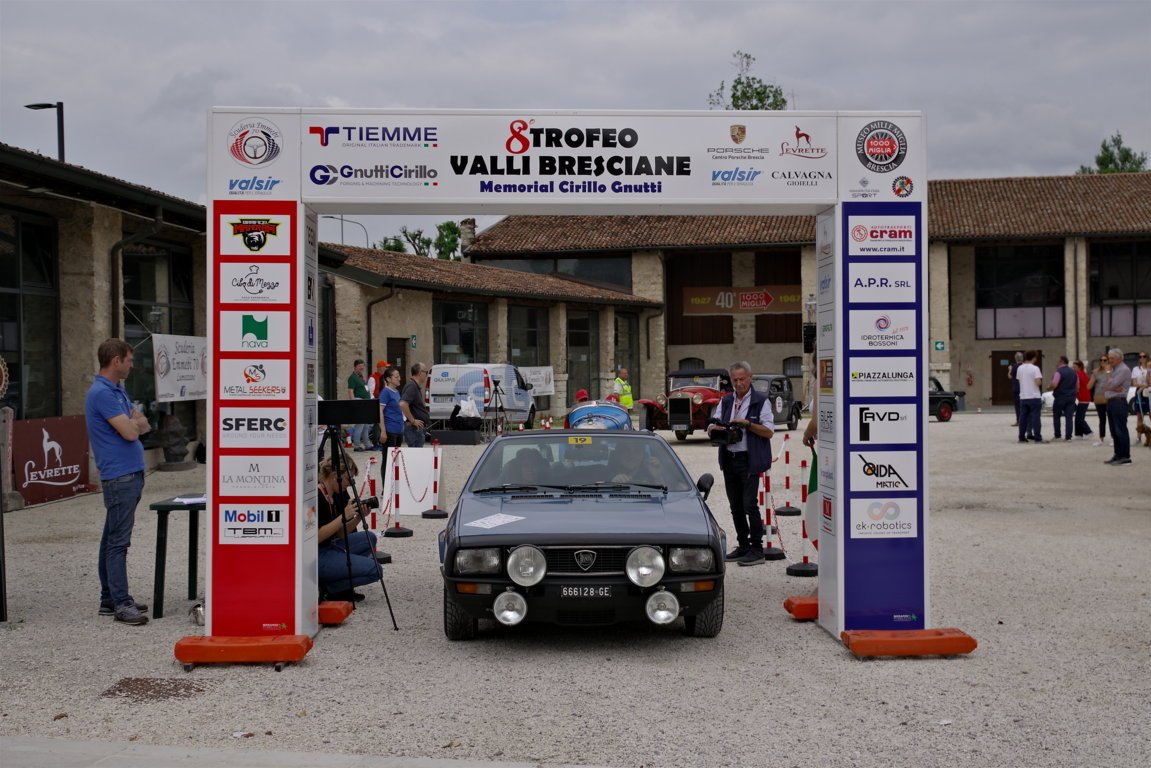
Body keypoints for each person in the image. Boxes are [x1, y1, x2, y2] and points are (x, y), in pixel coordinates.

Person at [84, 339, 151, 626]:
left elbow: (144, 423)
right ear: (116, 361)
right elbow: (132, 432)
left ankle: (109, 598)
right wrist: (132, 424)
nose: (132, 365)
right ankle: (121, 603)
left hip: (129, 473)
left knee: (111, 537)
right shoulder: (102, 393)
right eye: (129, 360)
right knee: (118, 543)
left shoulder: (117, 390)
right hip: (120, 476)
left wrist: (133, 423)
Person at [707, 361, 774, 567]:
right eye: (735, 380)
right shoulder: (726, 400)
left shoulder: (761, 401)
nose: (738, 383)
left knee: (749, 505)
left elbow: (769, 432)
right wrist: (713, 429)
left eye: (742, 379)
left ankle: (757, 549)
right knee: (735, 506)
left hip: (749, 460)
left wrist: (748, 424)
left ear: (750, 378)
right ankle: (743, 545)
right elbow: (714, 422)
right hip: (729, 458)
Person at [316, 455, 381, 601]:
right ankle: (326, 589)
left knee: (369, 538)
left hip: (330, 546)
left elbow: (339, 533)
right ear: (334, 476)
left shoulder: (333, 495)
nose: (350, 484)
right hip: (317, 555)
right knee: (375, 570)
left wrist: (358, 517)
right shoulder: (317, 496)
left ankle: (338, 584)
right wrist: (343, 516)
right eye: (348, 479)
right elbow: (317, 537)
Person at [1100, 348, 1132, 465]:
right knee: (1114, 431)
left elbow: (1112, 384)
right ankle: (1118, 454)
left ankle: (1125, 456)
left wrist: (1109, 377)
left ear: (1119, 358)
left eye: (1112, 358)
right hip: (1111, 401)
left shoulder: (1123, 370)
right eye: (1109, 358)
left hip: (1119, 402)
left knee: (1120, 430)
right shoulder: (1114, 370)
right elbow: (1103, 386)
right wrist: (1113, 386)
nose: (1110, 360)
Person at [400, 361, 430, 447]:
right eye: (426, 372)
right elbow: (403, 404)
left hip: (416, 428)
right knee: (415, 452)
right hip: (414, 429)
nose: (426, 375)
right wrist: (413, 421)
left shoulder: (414, 386)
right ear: (420, 373)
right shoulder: (412, 386)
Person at [346, 359, 373, 451]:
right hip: (359, 402)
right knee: (360, 425)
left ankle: (367, 444)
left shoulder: (361, 377)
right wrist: (354, 404)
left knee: (366, 426)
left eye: (363, 366)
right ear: (355, 367)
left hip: (365, 402)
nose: (362, 368)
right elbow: (350, 391)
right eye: (360, 366)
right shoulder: (352, 378)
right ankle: (357, 446)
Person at [1049, 355, 1077, 441]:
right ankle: (1068, 436)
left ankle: (1057, 435)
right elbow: (1077, 385)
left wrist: (1049, 387)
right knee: (1069, 417)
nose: (1056, 363)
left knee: (1057, 416)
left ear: (1061, 361)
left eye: (1058, 361)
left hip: (1060, 396)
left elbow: (1054, 384)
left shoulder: (1058, 372)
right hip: (1071, 397)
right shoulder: (1073, 372)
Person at [377, 366, 404, 448]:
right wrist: (383, 431)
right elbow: (379, 411)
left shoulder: (396, 392)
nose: (399, 379)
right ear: (388, 379)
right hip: (390, 430)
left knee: (397, 455)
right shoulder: (385, 392)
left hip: (399, 429)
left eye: (399, 376)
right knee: (388, 455)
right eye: (396, 377)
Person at [1088, 355, 1111, 447]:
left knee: (1112, 418)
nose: (1102, 362)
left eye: (1105, 360)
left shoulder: (1112, 370)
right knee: (1102, 419)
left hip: (1109, 397)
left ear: (1108, 361)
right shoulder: (1096, 372)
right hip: (1099, 397)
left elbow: (1111, 381)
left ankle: (1113, 438)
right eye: (1101, 360)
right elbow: (1089, 386)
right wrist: (1093, 376)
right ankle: (1101, 438)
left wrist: (1108, 371)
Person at [1072, 360, 1094, 439]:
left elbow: (1077, 386)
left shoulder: (1077, 374)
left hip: (1083, 398)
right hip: (1084, 398)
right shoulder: (1083, 374)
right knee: (1079, 417)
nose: (1073, 368)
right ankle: (1078, 434)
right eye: (1073, 367)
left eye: (1074, 367)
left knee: (1079, 418)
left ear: (1079, 367)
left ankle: (1088, 432)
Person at [1132, 351, 1150, 447]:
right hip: (1139, 392)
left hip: (1149, 392)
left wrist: (1145, 386)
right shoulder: (1136, 369)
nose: (1142, 358)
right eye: (1140, 356)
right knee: (1139, 415)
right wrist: (1143, 386)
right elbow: (1134, 383)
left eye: (1144, 356)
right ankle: (1138, 437)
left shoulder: (1150, 367)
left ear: (1147, 357)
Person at [1008, 351, 1024, 427]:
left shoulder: (1015, 366)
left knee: (1018, 406)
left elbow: (1010, 376)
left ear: (1015, 358)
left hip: (1017, 388)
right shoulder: (1024, 366)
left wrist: (1010, 369)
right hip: (1024, 388)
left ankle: (1019, 421)